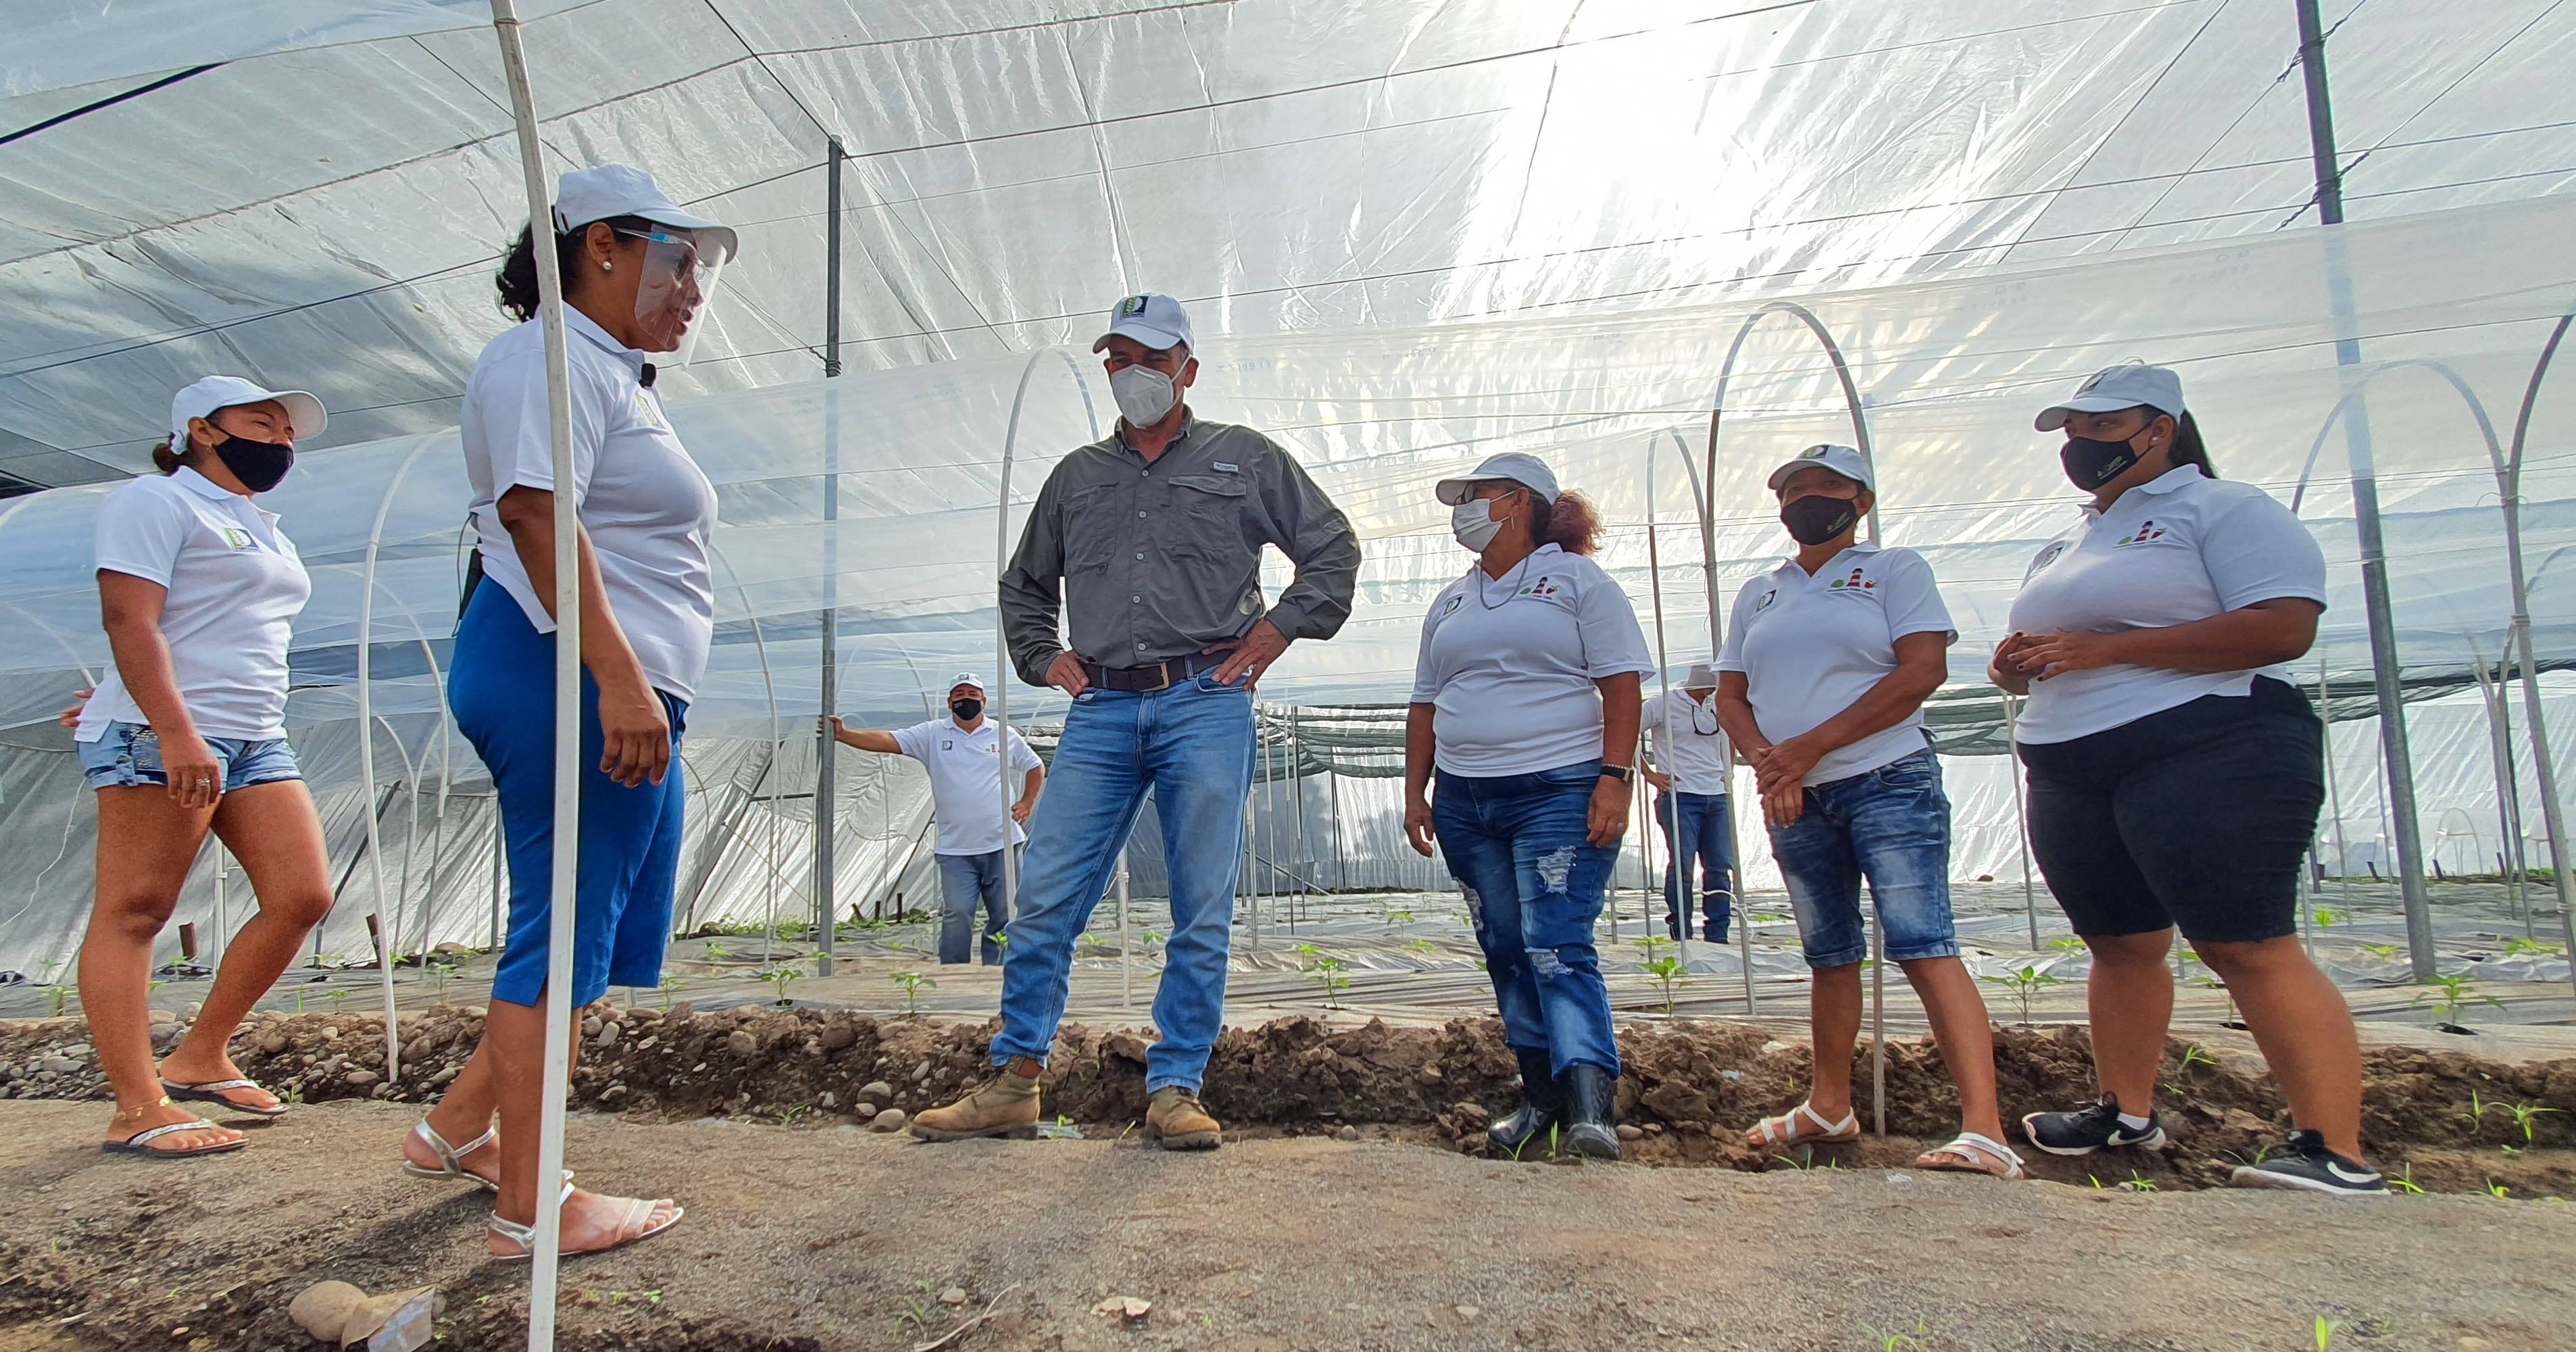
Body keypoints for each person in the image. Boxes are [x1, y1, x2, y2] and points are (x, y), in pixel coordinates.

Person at [914, 293, 1362, 1150]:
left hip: (1206, 697)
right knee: (1042, 896)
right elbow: (1024, 586)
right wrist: (1045, 658)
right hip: (1104, 705)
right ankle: (1014, 1080)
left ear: (1186, 370)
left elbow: (1331, 548)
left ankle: (1174, 1088)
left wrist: (1277, 630)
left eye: (1150, 359)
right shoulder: (1076, 478)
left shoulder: (1245, 459)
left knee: (1199, 903)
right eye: (1117, 357)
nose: (1132, 373)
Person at [402, 164, 735, 1256]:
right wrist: (621, 679)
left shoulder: (610, 372)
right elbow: (538, 519)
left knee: (595, 926)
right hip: (567, 671)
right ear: (603, 247)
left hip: (598, 676)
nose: (694, 287)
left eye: (702, 270)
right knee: (558, 940)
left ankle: (458, 1130)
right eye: (679, 260)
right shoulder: (542, 358)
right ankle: (531, 1208)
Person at [1995, 364, 2381, 1195]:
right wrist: (2017, 667)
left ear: (2159, 430)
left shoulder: (2220, 508)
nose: (2080, 445)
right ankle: (2124, 1113)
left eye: (2101, 428)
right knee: (2120, 944)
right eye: (2072, 431)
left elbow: (2282, 627)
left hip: (2206, 744)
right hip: (2071, 758)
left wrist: (2108, 650)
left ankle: (2333, 1148)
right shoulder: (2066, 540)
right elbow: (2054, 649)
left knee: (2244, 942)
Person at [1716, 445, 2021, 1180]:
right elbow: (1730, 695)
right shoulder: (1760, 591)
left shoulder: (1892, 571)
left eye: (1826, 487)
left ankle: (1984, 1128)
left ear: (1860, 502)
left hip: (1885, 777)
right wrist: (1769, 761)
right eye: (1791, 489)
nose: (1805, 499)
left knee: (1921, 941)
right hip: (1792, 792)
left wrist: (1807, 748)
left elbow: (1921, 670)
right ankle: (1829, 1104)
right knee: (1828, 952)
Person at [68, 376, 336, 1159]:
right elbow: (130, 618)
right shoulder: (155, 503)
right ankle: (136, 1106)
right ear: (201, 429)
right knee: (138, 911)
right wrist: (171, 727)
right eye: (263, 423)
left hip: (254, 735)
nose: (280, 442)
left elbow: (214, 627)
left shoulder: (261, 526)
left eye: (288, 433)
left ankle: (199, 1056)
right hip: (169, 735)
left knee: (302, 895)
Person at [1402, 452, 1650, 1161]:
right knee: (1505, 947)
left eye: (1475, 496)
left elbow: (1621, 685)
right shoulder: (1450, 599)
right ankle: (1538, 1097)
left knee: (1555, 944)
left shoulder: (1575, 582)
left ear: (1517, 503)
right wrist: (1415, 790)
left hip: (1557, 790)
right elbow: (1424, 704)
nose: (1463, 510)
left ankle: (1588, 1105)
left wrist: (1614, 777)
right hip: (1465, 800)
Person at [826, 674, 1045, 964]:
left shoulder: (1002, 734)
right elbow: (890, 740)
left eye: (972, 694)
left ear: (984, 701)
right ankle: (953, 971)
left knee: (1005, 913)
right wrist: (845, 735)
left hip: (1002, 842)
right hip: (956, 848)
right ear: (949, 702)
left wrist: (1027, 802)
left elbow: (1034, 766)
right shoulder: (932, 734)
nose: (966, 699)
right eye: (959, 694)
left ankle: (997, 968)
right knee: (958, 912)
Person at [1639, 662, 1737, 943]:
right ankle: (1681, 929)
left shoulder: (1719, 705)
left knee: (1719, 865)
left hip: (1715, 794)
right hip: (1680, 794)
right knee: (1683, 863)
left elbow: (1730, 737)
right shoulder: (1663, 704)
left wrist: (1726, 774)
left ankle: (1718, 932)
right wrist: (1650, 774)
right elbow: (1627, 732)